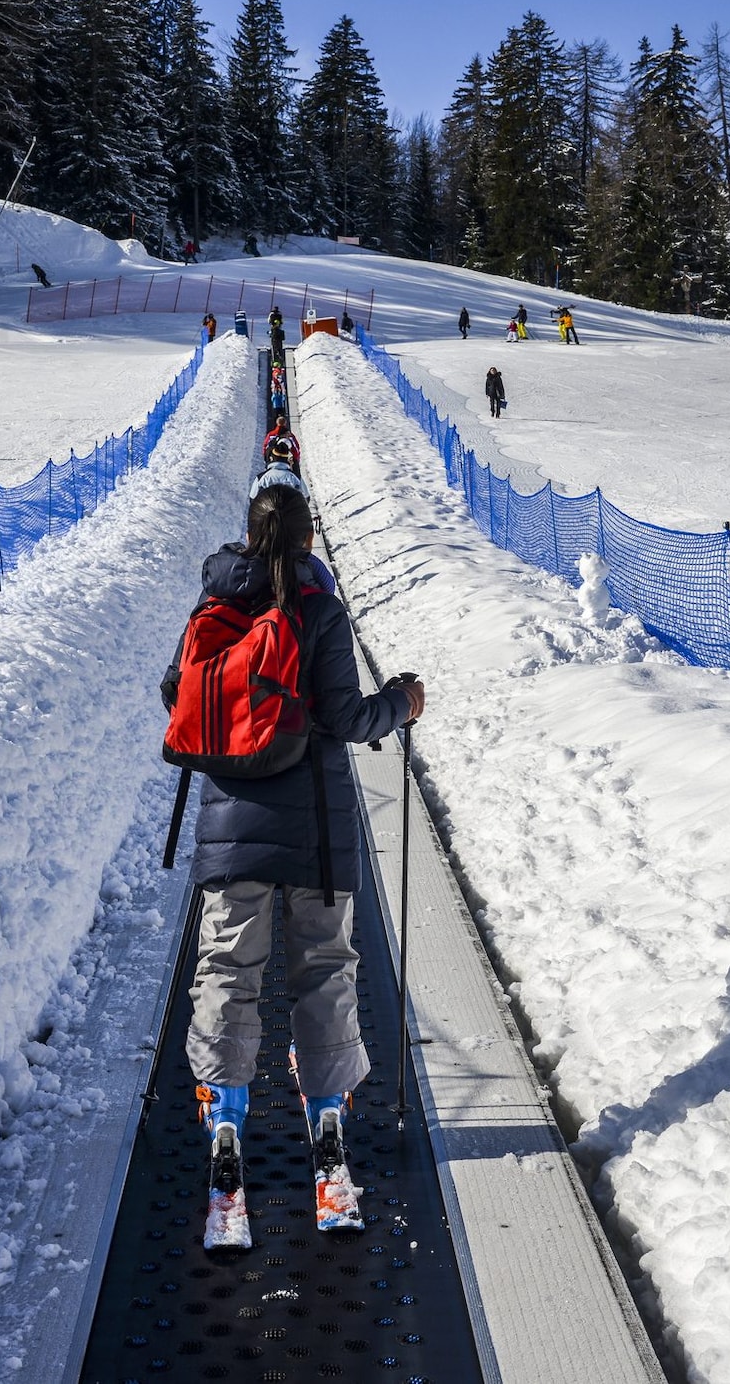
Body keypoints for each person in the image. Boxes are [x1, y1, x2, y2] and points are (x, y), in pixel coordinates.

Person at [166, 486, 425, 1220]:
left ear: (248, 535)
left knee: (227, 966)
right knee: (325, 967)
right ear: (310, 538)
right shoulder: (320, 611)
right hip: (316, 822)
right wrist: (402, 703)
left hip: (231, 822)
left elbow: (175, 693)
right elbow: (346, 717)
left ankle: (224, 1115)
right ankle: (329, 1121)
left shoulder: (215, 603)